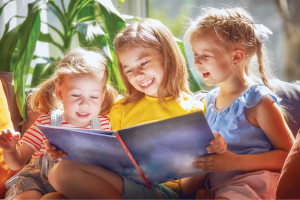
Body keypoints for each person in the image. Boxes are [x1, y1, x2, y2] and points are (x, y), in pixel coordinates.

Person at [42, 18, 227, 200]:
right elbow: (101, 157)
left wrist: (208, 155)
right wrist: (63, 148)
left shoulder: (191, 110)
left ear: (167, 56)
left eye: (143, 62)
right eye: (129, 69)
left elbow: (188, 189)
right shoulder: (121, 108)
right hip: (121, 183)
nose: (137, 74)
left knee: (62, 173)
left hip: (164, 192)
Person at [182, 7, 295, 199]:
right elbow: (188, 187)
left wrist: (235, 162)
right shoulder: (208, 102)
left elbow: (289, 157)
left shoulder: (257, 101)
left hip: (254, 184)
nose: (197, 62)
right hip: (221, 189)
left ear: (236, 57)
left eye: (206, 55)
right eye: (195, 54)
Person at [0, 48, 118, 200]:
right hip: (37, 181)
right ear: (60, 92)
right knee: (27, 197)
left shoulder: (105, 126)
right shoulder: (46, 123)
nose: (84, 104)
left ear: (103, 96)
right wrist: (10, 150)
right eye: (76, 95)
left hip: (75, 186)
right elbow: (17, 163)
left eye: (94, 96)